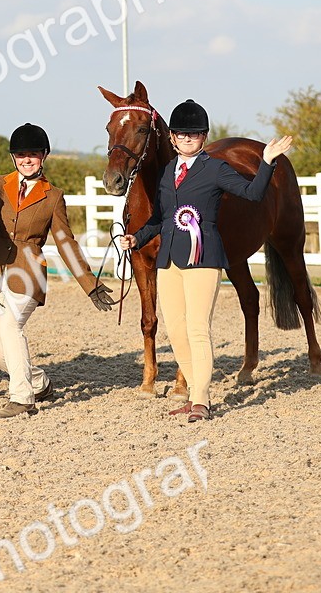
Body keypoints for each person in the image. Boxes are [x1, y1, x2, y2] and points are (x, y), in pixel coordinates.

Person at [119, 100, 293, 423]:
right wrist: (137, 238)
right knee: (175, 329)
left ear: (204, 136)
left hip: (203, 258)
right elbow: (160, 218)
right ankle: (196, 387)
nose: (187, 139)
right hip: (169, 260)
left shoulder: (215, 168)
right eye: (181, 134)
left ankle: (201, 398)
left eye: (194, 134)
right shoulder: (168, 171)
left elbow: (252, 193)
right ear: (171, 138)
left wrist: (267, 162)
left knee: (198, 328)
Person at [0, 123, 116, 418]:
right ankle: (39, 382)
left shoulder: (53, 196)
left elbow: (65, 241)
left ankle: (23, 398)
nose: (27, 160)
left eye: (33, 154)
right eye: (21, 154)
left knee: (11, 327)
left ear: (44, 156)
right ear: (13, 157)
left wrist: (90, 283)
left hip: (27, 273)